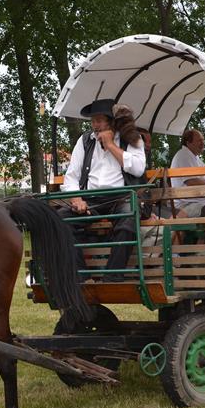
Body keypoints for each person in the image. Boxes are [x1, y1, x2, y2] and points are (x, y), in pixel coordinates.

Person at [61, 99, 146, 278]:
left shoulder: (132, 137)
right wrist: (76, 198)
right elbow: (71, 177)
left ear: (112, 121)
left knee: (129, 218)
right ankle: (81, 276)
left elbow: (138, 168)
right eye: (93, 121)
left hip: (121, 197)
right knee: (60, 220)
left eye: (99, 120)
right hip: (91, 199)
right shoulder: (85, 141)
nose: (95, 125)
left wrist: (110, 145)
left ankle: (113, 276)